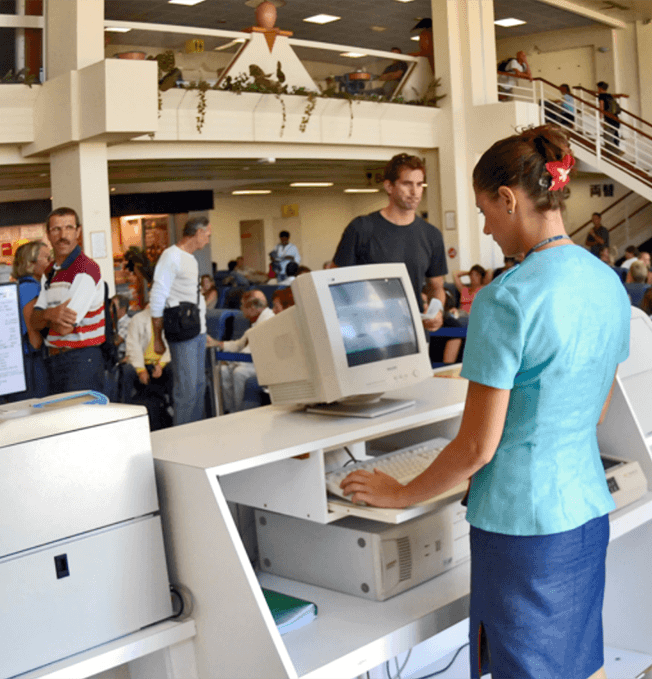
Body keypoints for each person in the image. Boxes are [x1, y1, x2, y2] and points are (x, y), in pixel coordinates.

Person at [340, 125, 629, 679]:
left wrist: (399, 490)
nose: (486, 228)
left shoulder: (507, 296)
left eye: (484, 211)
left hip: (523, 528)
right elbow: (594, 411)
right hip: (586, 514)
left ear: (509, 198)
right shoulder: (607, 282)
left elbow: (476, 446)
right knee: (571, 665)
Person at [332, 153, 448, 331]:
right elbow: (334, 283)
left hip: (413, 333)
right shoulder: (361, 229)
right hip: (368, 334)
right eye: (407, 184)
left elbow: (436, 288)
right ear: (389, 186)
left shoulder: (431, 235)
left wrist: (437, 311)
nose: (415, 192)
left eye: (419, 184)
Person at [30, 207, 107, 395]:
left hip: (81, 361)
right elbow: (34, 320)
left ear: (78, 232)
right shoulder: (50, 271)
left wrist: (44, 316)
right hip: (55, 361)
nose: (63, 235)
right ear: (48, 234)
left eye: (69, 228)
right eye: (56, 229)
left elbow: (64, 328)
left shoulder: (86, 269)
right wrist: (51, 314)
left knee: (81, 422)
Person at [150, 216, 212, 426]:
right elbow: (158, 296)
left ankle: (195, 433)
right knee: (186, 389)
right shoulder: (171, 256)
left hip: (197, 330)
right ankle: (183, 439)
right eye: (208, 235)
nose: (208, 240)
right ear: (198, 232)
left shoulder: (191, 259)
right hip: (183, 331)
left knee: (198, 386)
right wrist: (157, 337)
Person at [209, 289, 273, 414]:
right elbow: (239, 344)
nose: (241, 309)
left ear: (253, 308)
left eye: (243, 306)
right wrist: (217, 343)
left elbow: (249, 352)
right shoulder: (256, 321)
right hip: (250, 362)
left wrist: (227, 360)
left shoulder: (267, 321)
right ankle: (230, 411)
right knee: (222, 371)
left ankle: (241, 413)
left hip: (263, 364)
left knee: (239, 372)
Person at [124, 281, 172, 430]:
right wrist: (140, 369)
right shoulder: (137, 319)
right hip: (143, 363)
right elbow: (133, 346)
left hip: (164, 362)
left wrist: (161, 364)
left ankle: (171, 408)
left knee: (173, 371)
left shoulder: (168, 319)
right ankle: (125, 413)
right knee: (127, 372)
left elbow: (171, 346)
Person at [11, 240, 51, 399]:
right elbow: (34, 336)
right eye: (47, 258)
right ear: (31, 263)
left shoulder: (23, 286)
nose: (51, 263)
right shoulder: (29, 288)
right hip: (31, 362)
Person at [595, 81, 628, 152]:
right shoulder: (610, 95)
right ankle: (616, 149)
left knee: (607, 136)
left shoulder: (601, 96)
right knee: (615, 135)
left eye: (598, 88)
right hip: (615, 118)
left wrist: (601, 119)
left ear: (600, 88)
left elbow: (602, 107)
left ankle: (613, 152)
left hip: (609, 119)